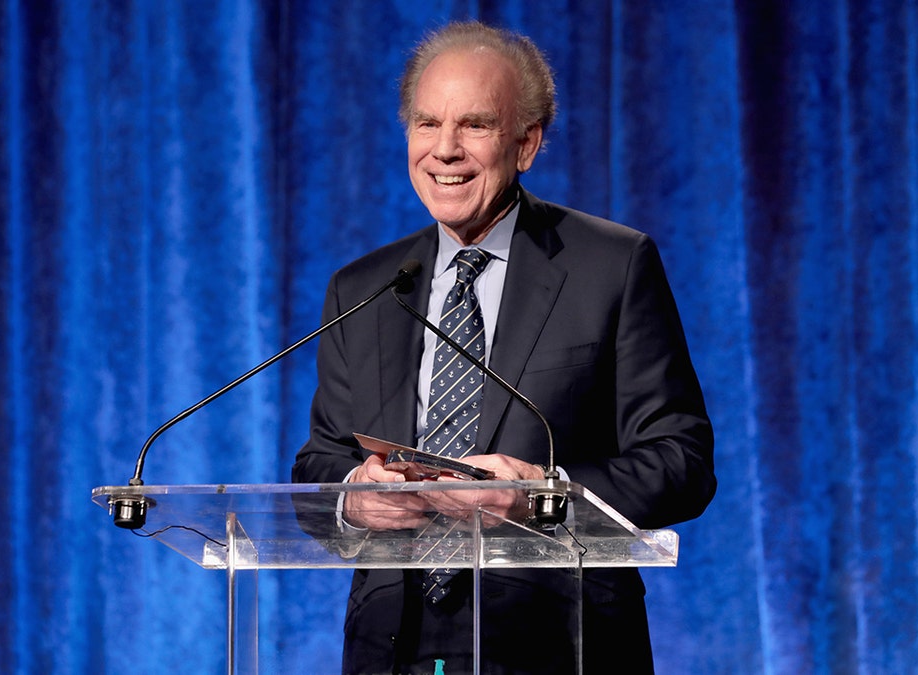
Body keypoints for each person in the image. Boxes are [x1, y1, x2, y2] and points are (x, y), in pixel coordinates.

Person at [292, 20, 715, 674]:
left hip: (559, 642)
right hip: (394, 650)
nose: (446, 150)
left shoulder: (611, 265)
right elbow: (319, 464)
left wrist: (543, 495)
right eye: (427, 124)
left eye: (476, 125)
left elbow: (681, 459)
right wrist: (353, 493)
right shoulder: (365, 288)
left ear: (527, 143)